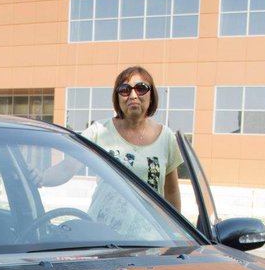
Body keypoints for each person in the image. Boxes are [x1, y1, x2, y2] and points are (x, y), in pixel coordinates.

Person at [38, 66, 184, 209]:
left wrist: (177, 233)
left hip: (149, 232)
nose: (133, 96)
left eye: (141, 88)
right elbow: (67, 168)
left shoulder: (166, 138)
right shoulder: (99, 131)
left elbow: (171, 192)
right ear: (117, 98)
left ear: (151, 95)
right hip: (103, 231)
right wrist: (39, 178)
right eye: (125, 90)